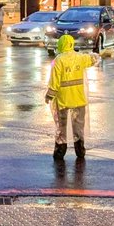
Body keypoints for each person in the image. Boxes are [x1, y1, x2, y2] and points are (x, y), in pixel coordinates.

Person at [46, 33, 100, 161]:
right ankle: (80, 149)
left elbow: (54, 80)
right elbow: (94, 59)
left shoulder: (58, 60)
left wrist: (49, 95)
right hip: (78, 98)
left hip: (62, 100)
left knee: (61, 126)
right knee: (78, 126)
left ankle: (60, 150)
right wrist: (95, 52)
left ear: (60, 45)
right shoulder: (80, 58)